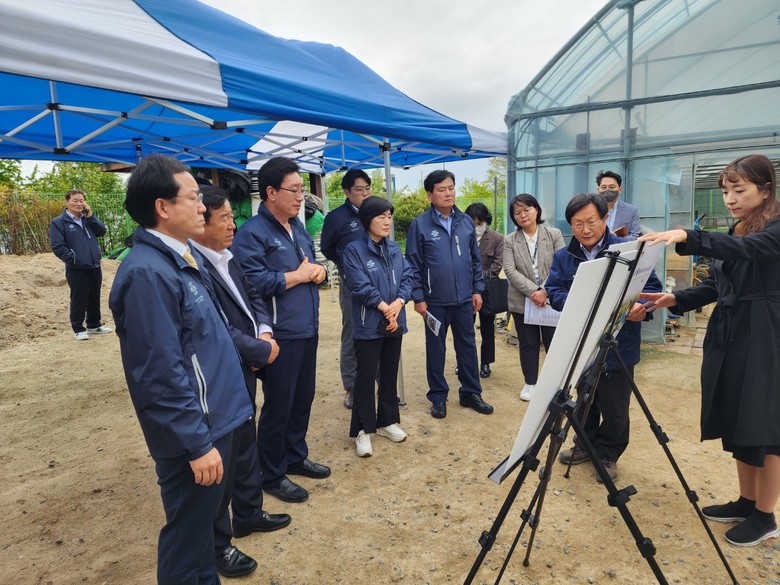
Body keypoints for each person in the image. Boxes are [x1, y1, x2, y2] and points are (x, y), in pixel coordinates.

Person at [109, 154, 254, 584]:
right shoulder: (147, 274)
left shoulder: (183, 258)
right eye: (193, 198)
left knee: (202, 540)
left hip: (219, 419)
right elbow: (160, 374)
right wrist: (196, 443)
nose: (203, 207)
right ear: (163, 207)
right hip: (197, 432)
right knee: (188, 547)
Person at [638, 154, 780, 547]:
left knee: (765, 425)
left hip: (765, 334)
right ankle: (746, 500)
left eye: (739, 190)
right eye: (726, 191)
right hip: (732, 332)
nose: (730, 199)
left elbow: (748, 250)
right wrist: (674, 299)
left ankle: (766, 515)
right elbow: (719, 286)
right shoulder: (739, 229)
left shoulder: (773, 229)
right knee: (736, 415)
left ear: (765, 189)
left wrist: (689, 236)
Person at [191, 187, 291, 577]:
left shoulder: (228, 259)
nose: (234, 225)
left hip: (246, 365)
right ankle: (219, 545)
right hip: (223, 372)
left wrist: (264, 330)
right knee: (223, 459)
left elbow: (253, 296)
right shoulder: (195, 267)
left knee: (246, 444)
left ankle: (249, 513)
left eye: (233, 216)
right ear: (202, 223)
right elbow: (217, 327)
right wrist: (258, 349)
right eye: (225, 218)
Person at [232, 156, 330, 505]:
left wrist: (318, 272)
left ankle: (295, 456)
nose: (301, 196)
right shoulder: (252, 234)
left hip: (307, 327)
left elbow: (311, 265)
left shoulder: (297, 228)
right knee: (279, 405)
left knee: (303, 398)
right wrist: (298, 276)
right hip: (280, 333)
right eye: (295, 190)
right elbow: (252, 282)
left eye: (303, 190)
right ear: (271, 192)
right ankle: (271, 473)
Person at [546, 193, 661, 482]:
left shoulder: (630, 251)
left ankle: (608, 452)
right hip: (582, 343)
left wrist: (640, 307)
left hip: (619, 342)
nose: (585, 229)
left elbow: (651, 289)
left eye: (592, 222)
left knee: (615, 405)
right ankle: (584, 444)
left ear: (605, 218)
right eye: (578, 224)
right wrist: (579, 300)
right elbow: (554, 291)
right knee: (584, 398)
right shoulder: (564, 257)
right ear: (570, 225)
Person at [405, 170, 494, 419]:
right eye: (442, 189)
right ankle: (438, 396)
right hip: (434, 301)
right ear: (429, 195)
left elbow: (475, 260)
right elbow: (413, 265)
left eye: (451, 188)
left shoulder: (465, 221)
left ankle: (470, 393)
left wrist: (477, 290)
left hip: (464, 299)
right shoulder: (420, 225)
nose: (448, 193)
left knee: (467, 346)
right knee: (436, 349)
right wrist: (418, 298)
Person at [341, 196, 413, 457]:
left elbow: (408, 277)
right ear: (367, 219)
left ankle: (386, 421)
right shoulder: (354, 250)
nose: (387, 221)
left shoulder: (393, 248)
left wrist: (399, 302)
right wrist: (385, 307)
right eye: (381, 216)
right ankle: (362, 430)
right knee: (365, 376)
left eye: (389, 216)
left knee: (389, 372)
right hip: (368, 323)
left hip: (394, 322)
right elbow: (359, 286)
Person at [502, 194, 565, 401]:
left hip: (551, 299)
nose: (523, 215)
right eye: (517, 212)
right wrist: (533, 292)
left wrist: (545, 291)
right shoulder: (510, 240)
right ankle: (530, 383)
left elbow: (561, 264)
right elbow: (510, 270)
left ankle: (556, 384)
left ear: (536, 210)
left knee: (553, 342)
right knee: (528, 344)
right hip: (522, 301)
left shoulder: (553, 234)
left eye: (527, 210)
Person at [321, 169, 373, 409]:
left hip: (377, 283)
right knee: (352, 333)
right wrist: (345, 265)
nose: (364, 194)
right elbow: (327, 247)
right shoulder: (336, 217)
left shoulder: (374, 211)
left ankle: (380, 382)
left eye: (367, 189)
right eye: (359, 190)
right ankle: (351, 387)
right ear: (347, 192)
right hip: (352, 285)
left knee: (379, 333)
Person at [49, 189, 112, 340]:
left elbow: (102, 231)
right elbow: (58, 246)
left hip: (94, 265)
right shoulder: (59, 222)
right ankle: (78, 328)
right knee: (79, 298)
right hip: (77, 268)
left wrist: (91, 216)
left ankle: (94, 325)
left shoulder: (87, 219)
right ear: (67, 202)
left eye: (81, 201)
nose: (79, 204)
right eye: (75, 200)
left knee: (94, 297)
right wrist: (74, 260)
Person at [464, 202, 504, 379]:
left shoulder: (497, 238)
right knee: (465, 329)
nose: (476, 227)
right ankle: (465, 362)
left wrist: (475, 276)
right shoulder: (462, 238)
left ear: (486, 221)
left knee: (487, 329)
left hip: (488, 290)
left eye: (479, 223)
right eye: (472, 224)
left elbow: (496, 266)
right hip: (465, 291)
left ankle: (486, 362)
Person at [596, 170, 642, 240]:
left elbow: (636, 235)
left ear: (620, 189)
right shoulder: (591, 210)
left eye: (612, 187)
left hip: (620, 246)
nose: (607, 190)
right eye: (603, 187)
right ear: (598, 190)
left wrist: (616, 239)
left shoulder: (632, 211)